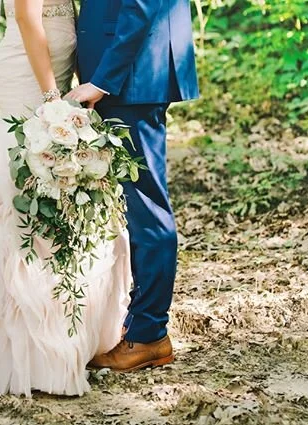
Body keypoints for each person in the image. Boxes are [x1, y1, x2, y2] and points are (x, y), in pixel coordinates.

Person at [66, 0, 199, 371]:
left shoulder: (114, 79)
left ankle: (149, 334)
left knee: (147, 206)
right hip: (125, 72)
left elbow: (141, 5)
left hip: (131, 76)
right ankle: (142, 326)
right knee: (136, 203)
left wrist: (103, 81)